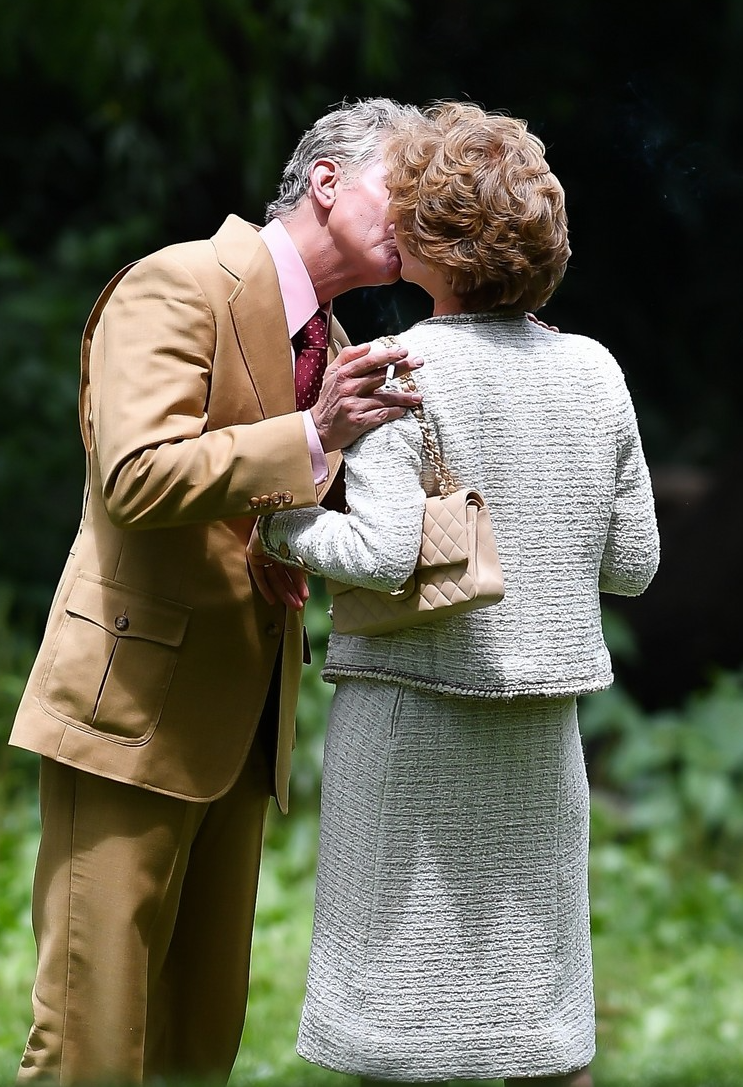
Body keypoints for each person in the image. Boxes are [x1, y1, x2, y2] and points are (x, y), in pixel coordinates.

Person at [8, 96, 426, 1086]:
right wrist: (314, 437)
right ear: (325, 182)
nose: (428, 211)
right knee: (90, 1043)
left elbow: (271, 505)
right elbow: (136, 475)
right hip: (130, 712)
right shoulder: (176, 282)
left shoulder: (328, 337)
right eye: (404, 188)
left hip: (242, 730)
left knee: (198, 1049)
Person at [250, 100, 660, 1087]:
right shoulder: (593, 371)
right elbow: (632, 563)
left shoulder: (400, 366)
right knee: (536, 1019)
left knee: (396, 1022)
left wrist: (272, 520)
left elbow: (384, 551)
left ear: (430, 242)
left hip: (408, 730)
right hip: (536, 742)